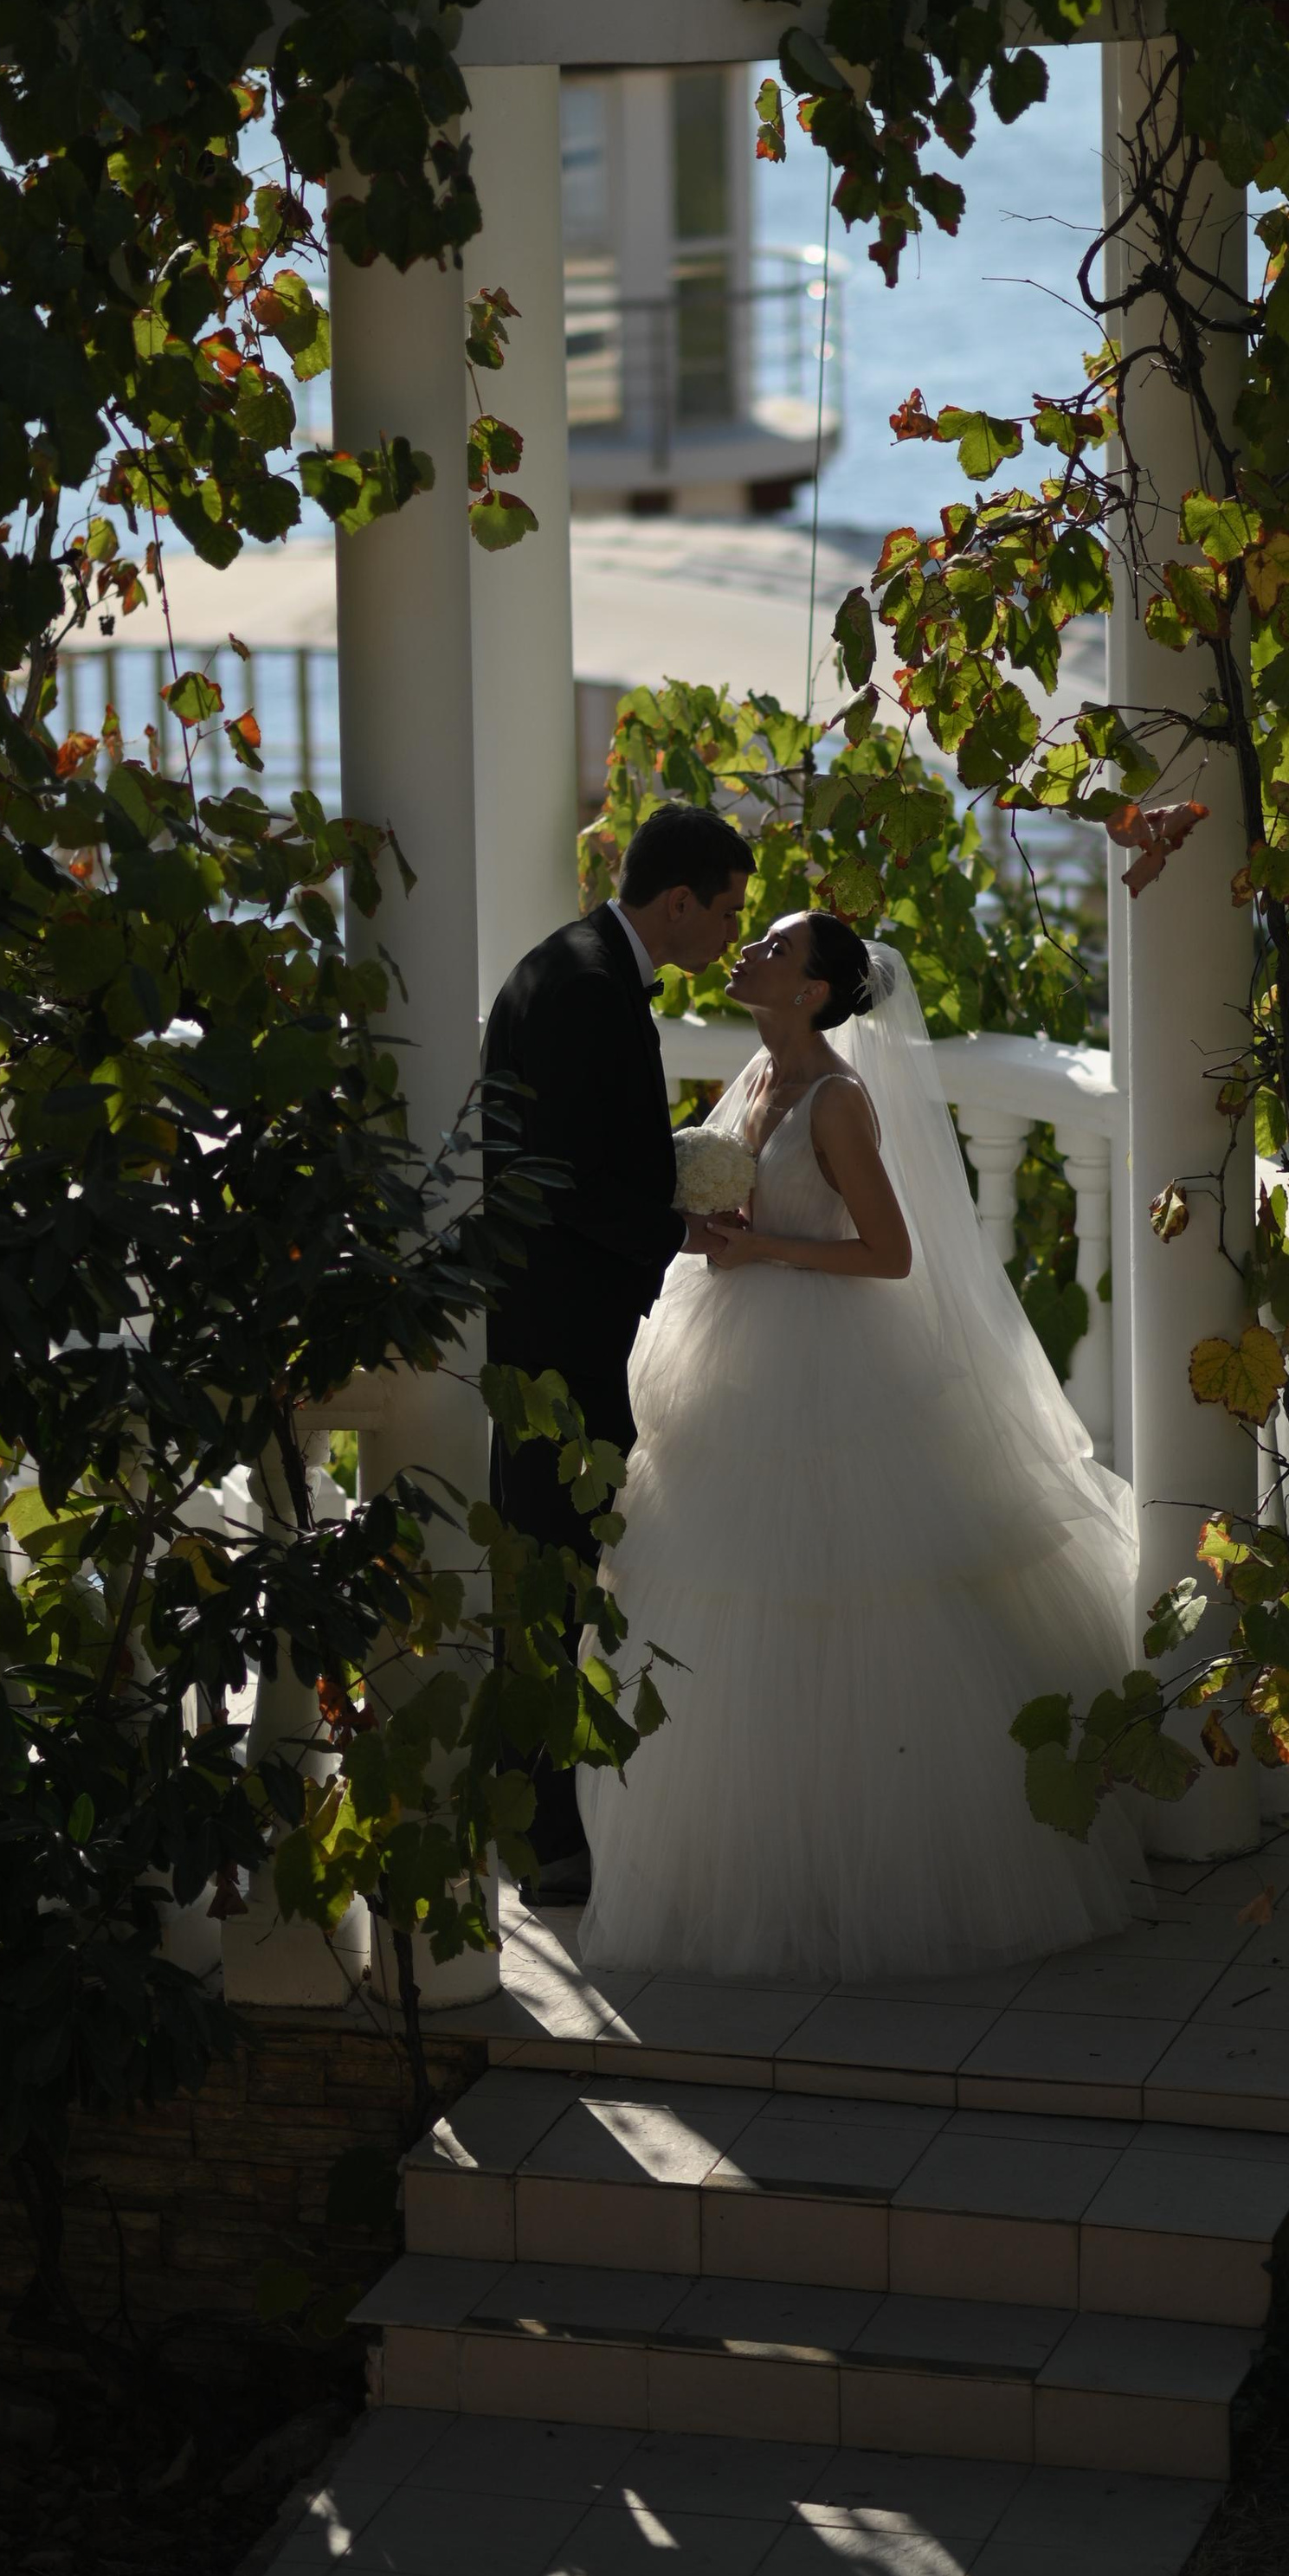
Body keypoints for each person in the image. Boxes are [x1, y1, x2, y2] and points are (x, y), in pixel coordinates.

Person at [578, 908, 1149, 1981]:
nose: (750, 953)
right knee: (729, 1597)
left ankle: (874, 1868)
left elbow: (889, 1255)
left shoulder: (839, 1100)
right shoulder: (753, 1075)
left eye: (776, 951)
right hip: (734, 1348)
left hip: (821, 1354)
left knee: (846, 1595)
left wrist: (768, 1254)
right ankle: (747, 1862)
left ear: (815, 992)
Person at [481, 802, 756, 1903]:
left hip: (549, 1326)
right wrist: (678, 1226)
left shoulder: (568, 963)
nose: (731, 933)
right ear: (677, 901)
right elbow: (558, 1177)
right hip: (562, 1334)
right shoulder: (591, 986)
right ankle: (549, 1836)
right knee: (552, 1575)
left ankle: (543, 1810)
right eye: (727, 910)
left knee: (550, 1567)